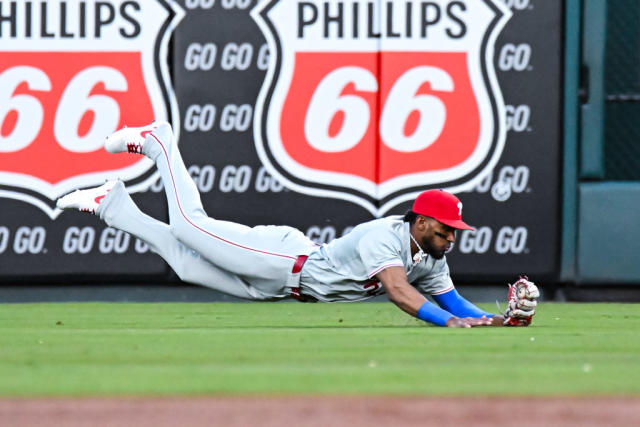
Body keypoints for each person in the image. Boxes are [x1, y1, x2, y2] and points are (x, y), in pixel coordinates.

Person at [57, 122, 516, 328]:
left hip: (282, 288)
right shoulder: (386, 237)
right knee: (189, 226)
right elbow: (398, 292)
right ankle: (160, 143)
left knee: (185, 265)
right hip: (284, 261)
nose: (451, 237)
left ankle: (112, 206)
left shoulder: (429, 256)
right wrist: (447, 324)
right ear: (418, 222)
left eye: (455, 230)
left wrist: (496, 320)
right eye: (443, 228)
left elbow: (452, 301)